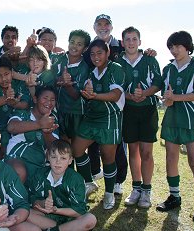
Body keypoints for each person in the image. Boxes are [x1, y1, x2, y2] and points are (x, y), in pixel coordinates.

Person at [156, 31, 194, 223]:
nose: (174, 50)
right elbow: (167, 99)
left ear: (187, 46)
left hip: (191, 121)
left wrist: (175, 97)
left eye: (177, 46)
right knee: (171, 158)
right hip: (172, 119)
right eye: (171, 47)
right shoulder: (168, 69)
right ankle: (174, 196)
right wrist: (168, 100)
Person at [72, 39, 125, 209]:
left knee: (108, 157)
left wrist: (94, 95)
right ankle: (89, 182)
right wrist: (85, 93)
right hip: (91, 117)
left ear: (107, 53)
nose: (96, 57)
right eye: (93, 54)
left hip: (109, 118)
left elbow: (115, 95)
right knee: (77, 149)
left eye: (99, 53)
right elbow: (85, 93)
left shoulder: (115, 69)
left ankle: (109, 193)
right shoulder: (91, 73)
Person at [115, 27, 162, 208]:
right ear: (122, 42)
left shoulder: (150, 59)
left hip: (148, 109)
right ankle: (136, 188)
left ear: (140, 42)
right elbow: (116, 87)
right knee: (133, 151)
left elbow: (159, 82)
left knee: (146, 152)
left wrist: (145, 94)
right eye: (127, 39)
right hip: (129, 111)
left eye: (134, 39)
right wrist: (129, 96)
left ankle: (146, 190)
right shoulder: (119, 62)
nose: (131, 42)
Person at [26, 139, 97, 231]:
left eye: (63, 158)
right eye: (54, 157)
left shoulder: (76, 179)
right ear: (48, 157)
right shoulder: (40, 175)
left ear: (70, 160)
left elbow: (79, 211)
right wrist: (43, 203)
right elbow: (33, 200)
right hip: (49, 217)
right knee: (26, 213)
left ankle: (54, 229)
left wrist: (55, 210)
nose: (58, 162)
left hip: (71, 218)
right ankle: (59, 229)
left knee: (90, 219)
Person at [5, 85, 59, 184]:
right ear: (35, 99)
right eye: (45, 98)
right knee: (19, 171)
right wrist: (39, 124)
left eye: (52, 100)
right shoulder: (23, 113)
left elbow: (55, 148)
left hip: (38, 164)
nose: (49, 103)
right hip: (17, 157)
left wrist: (47, 133)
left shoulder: (52, 120)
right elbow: (11, 127)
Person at [0, 56, 30, 159]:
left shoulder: (20, 84)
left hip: (18, 130)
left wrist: (14, 104)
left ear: (12, 72)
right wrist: (6, 98)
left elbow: (25, 104)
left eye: (6, 74)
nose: (4, 79)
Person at [51, 29, 91, 145]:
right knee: (62, 143)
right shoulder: (58, 59)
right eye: (72, 42)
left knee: (74, 146)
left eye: (79, 44)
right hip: (58, 109)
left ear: (85, 49)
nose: (74, 46)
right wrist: (59, 80)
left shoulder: (84, 68)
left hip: (75, 112)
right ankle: (65, 164)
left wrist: (68, 85)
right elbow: (50, 79)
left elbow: (75, 95)